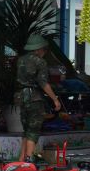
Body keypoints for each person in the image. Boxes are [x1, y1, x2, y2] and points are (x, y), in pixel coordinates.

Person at [14, 34, 61, 162]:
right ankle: (28, 160)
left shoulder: (21, 60)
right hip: (34, 98)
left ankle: (21, 159)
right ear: (39, 49)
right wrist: (55, 99)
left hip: (21, 97)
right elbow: (43, 83)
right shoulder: (40, 62)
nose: (44, 52)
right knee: (33, 131)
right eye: (44, 49)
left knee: (27, 130)